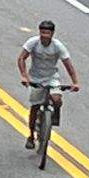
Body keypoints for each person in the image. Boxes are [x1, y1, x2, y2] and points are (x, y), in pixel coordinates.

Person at [18, 20, 81, 149]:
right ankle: (31, 135)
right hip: (36, 78)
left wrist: (75, 82)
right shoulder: (33, 43)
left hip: (52, 78)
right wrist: (24, 76)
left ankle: (52, 119)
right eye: (42, 32)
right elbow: (21, 58)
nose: (44, 35)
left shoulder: (58, 46)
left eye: (47, 33)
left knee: (57, 100)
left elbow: (68, 64)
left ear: (52, 34)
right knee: (35, 107)